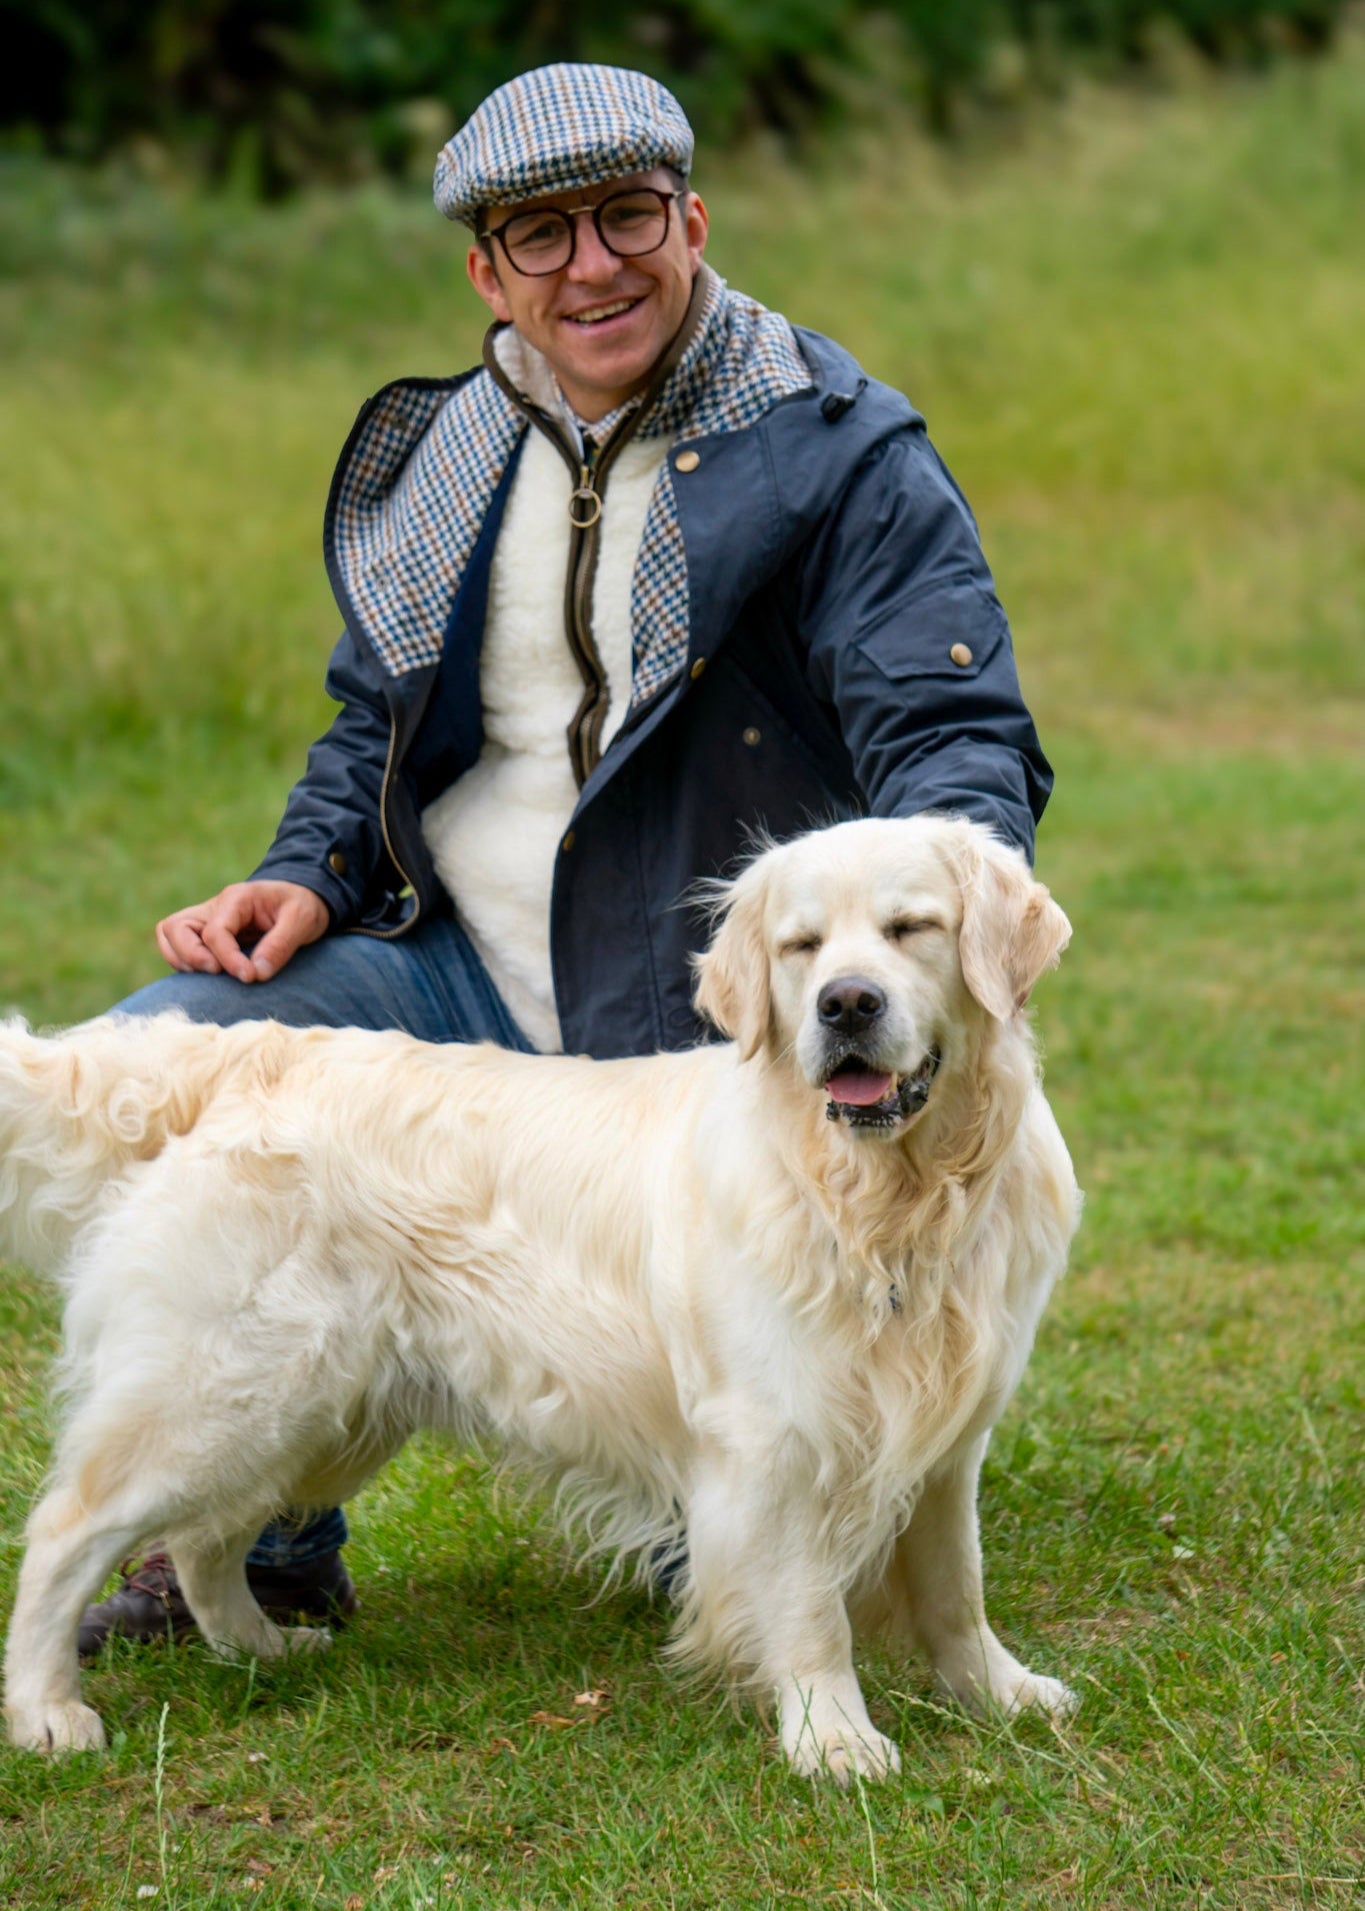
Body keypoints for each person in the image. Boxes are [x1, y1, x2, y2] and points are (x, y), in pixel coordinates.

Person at [79, 62, 1053, 1652]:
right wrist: (311, 869)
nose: (591, 266)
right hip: (450, 969)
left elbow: (953, 733)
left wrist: (946, 927)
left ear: (691, 219)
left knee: (745, 1515)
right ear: (485, 269)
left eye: (625, 217)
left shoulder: (837, 447)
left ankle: (733, 1460)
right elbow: (373, 723)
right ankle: (259, 1533)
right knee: (169, 1050)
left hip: (694, 1011)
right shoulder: (442, 456)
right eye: (540, 235)